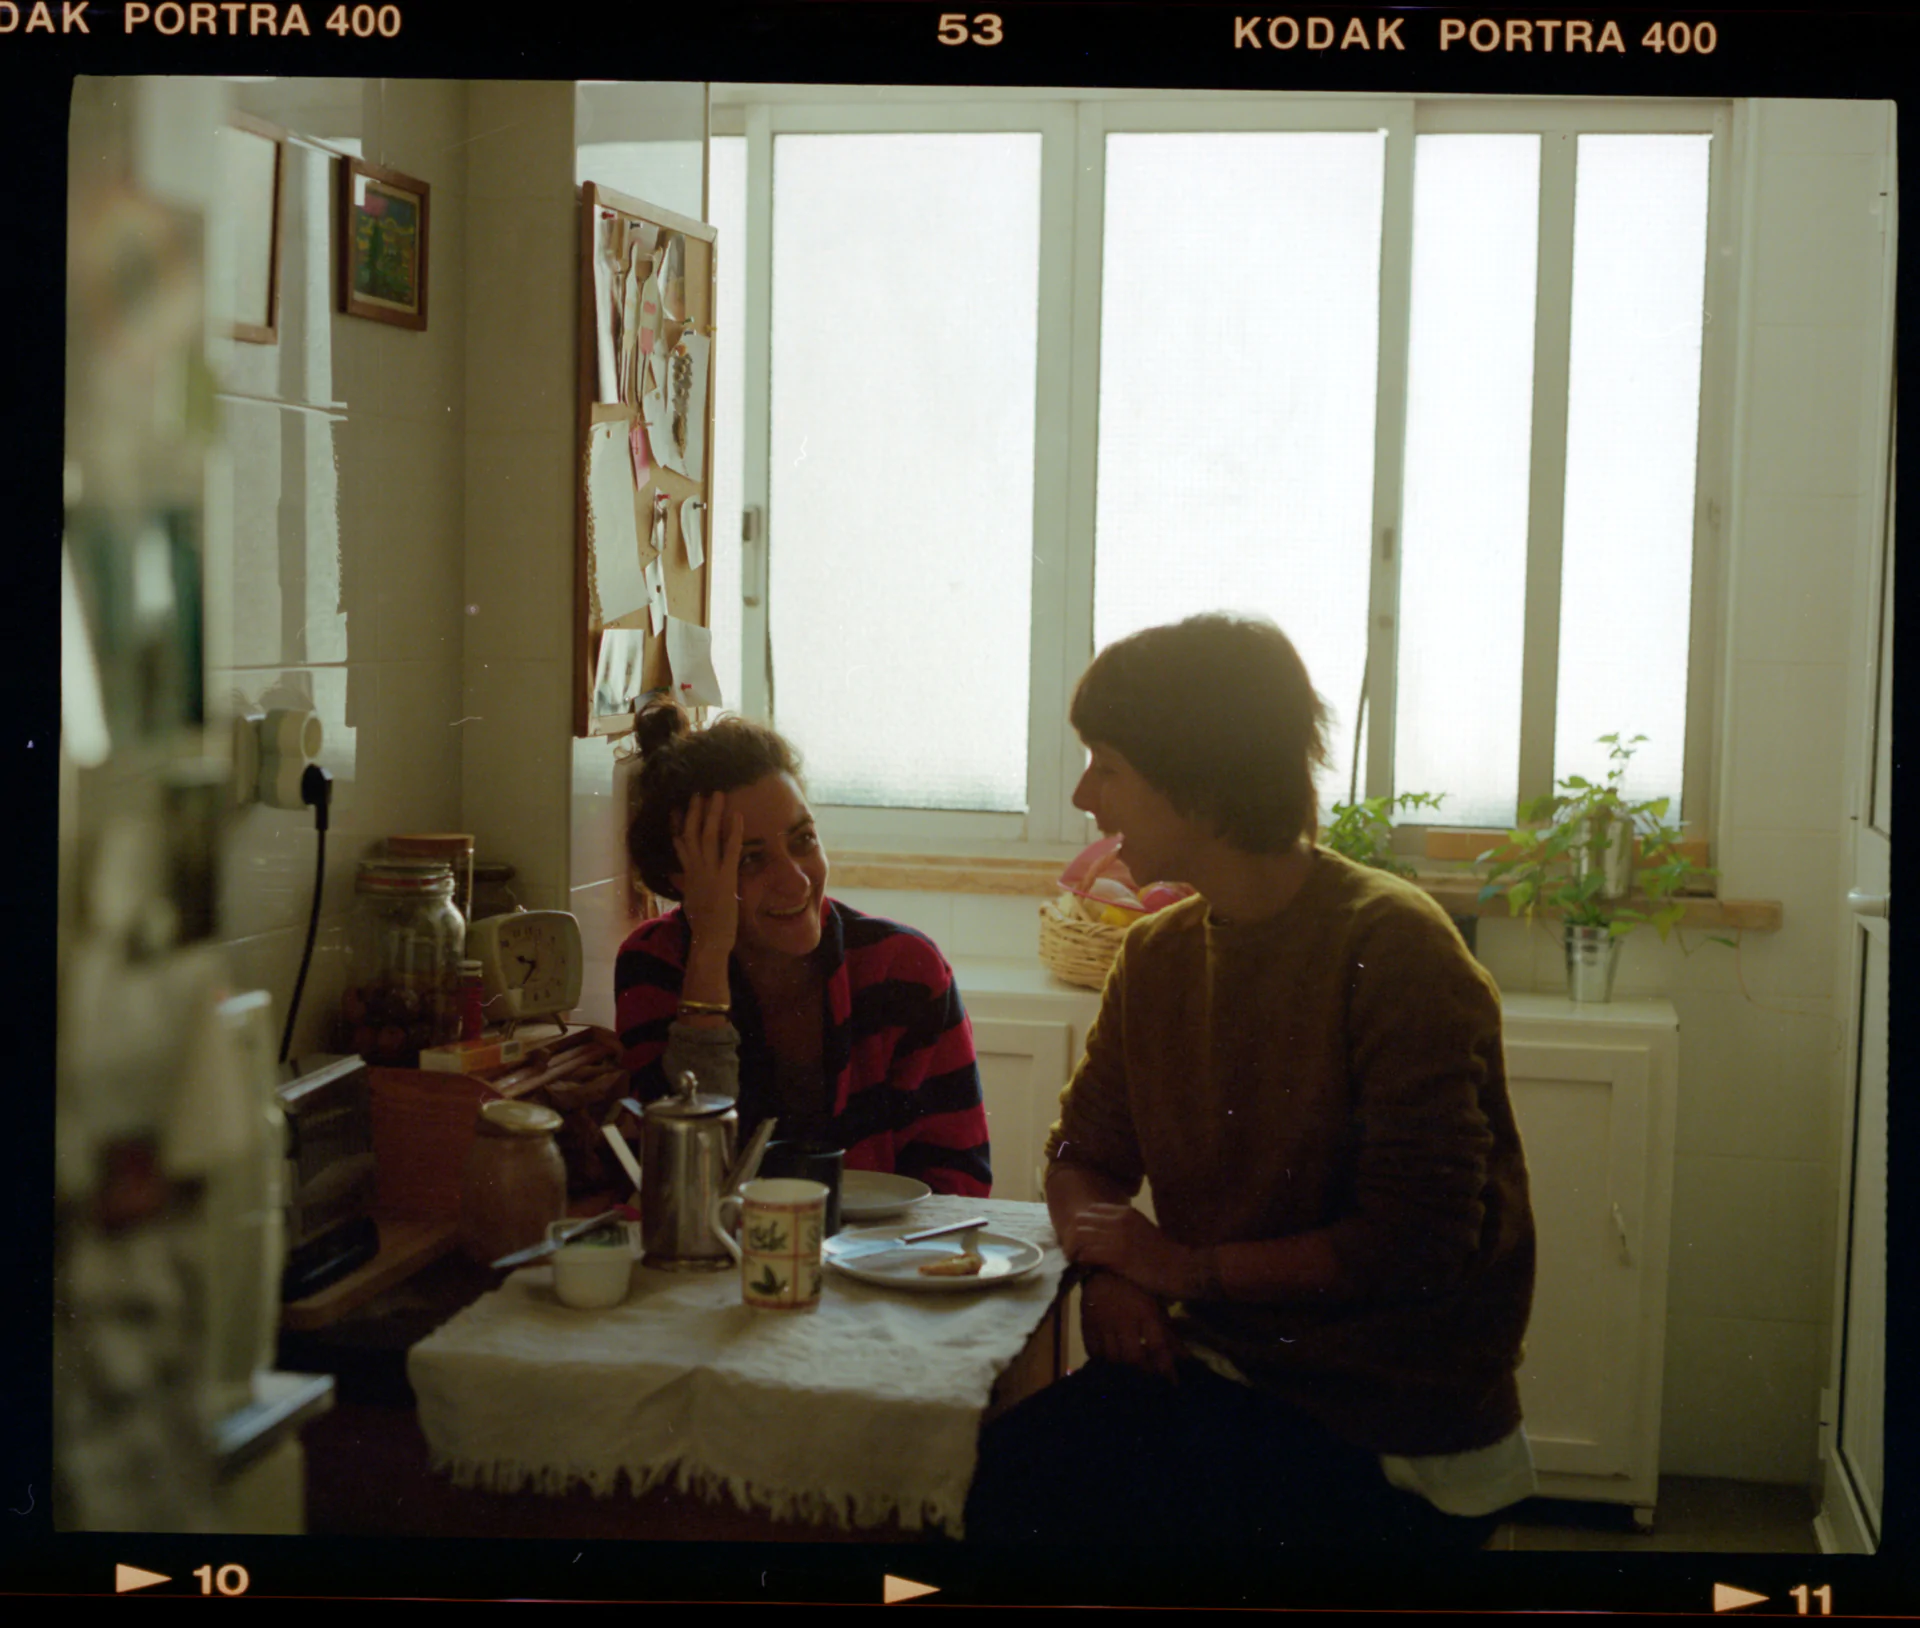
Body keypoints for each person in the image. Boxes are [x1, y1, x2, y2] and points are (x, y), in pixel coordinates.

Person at [964, 613, 1536, 1553]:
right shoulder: (1154, 956)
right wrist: (1113, 1272)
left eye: (1107, 765)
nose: (1084, 797)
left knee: (1017, 1518)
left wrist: (1182, 1270)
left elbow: (1417, 1245)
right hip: (1227, 1380)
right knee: (966, 1494)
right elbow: (1082, 1156)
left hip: (1392, 1433)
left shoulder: (1395, 949)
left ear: (1201, 786)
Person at [615, 702, 991, 1196]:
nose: (795, 880)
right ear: (684, 881)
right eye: (750, 859)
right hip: (726, 1261)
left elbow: (958, 1182)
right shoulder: (656, 964)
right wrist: (708, 953)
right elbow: (685, 1182)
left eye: (803, 840)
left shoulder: (904, 969)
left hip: (889, 1262)